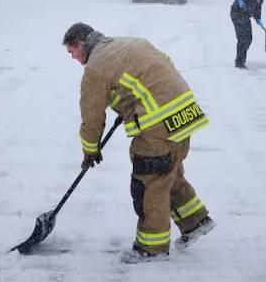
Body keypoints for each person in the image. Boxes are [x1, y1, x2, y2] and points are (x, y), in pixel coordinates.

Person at [62, 22, 215, 263]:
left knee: (149, 184)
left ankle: (151, 249)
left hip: (157, 124)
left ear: (81, 43)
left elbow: (91, 116)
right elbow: (156, 73)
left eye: (72, 52)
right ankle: (195, 221)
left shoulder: (95, 68)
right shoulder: (132, 43)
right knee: (168, 172)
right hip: (185, 114)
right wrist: (131, 103)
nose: (73, 58)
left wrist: (90, 149)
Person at [229, 0, 266, 69]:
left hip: (246, 17)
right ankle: (239, 63)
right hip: (237, 14)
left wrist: (258, 18)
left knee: (249, 39)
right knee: (243, 39)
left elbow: (258, 8)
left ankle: (240, 60)